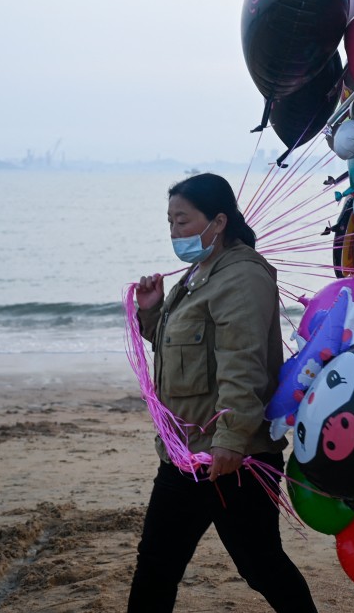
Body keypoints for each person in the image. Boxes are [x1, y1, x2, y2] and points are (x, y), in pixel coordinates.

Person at [129, 173, 318, 613]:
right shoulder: (199, 274)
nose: (175, 232)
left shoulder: (242, 276)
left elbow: (242, 364)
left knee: (260, 565)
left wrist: (230, 441)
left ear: (218, 220)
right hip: (186, 453)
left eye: (183, 220)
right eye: (170, 222)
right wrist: (153, 309)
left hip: (230, 457)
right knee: (159, 563)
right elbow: (183, 352)